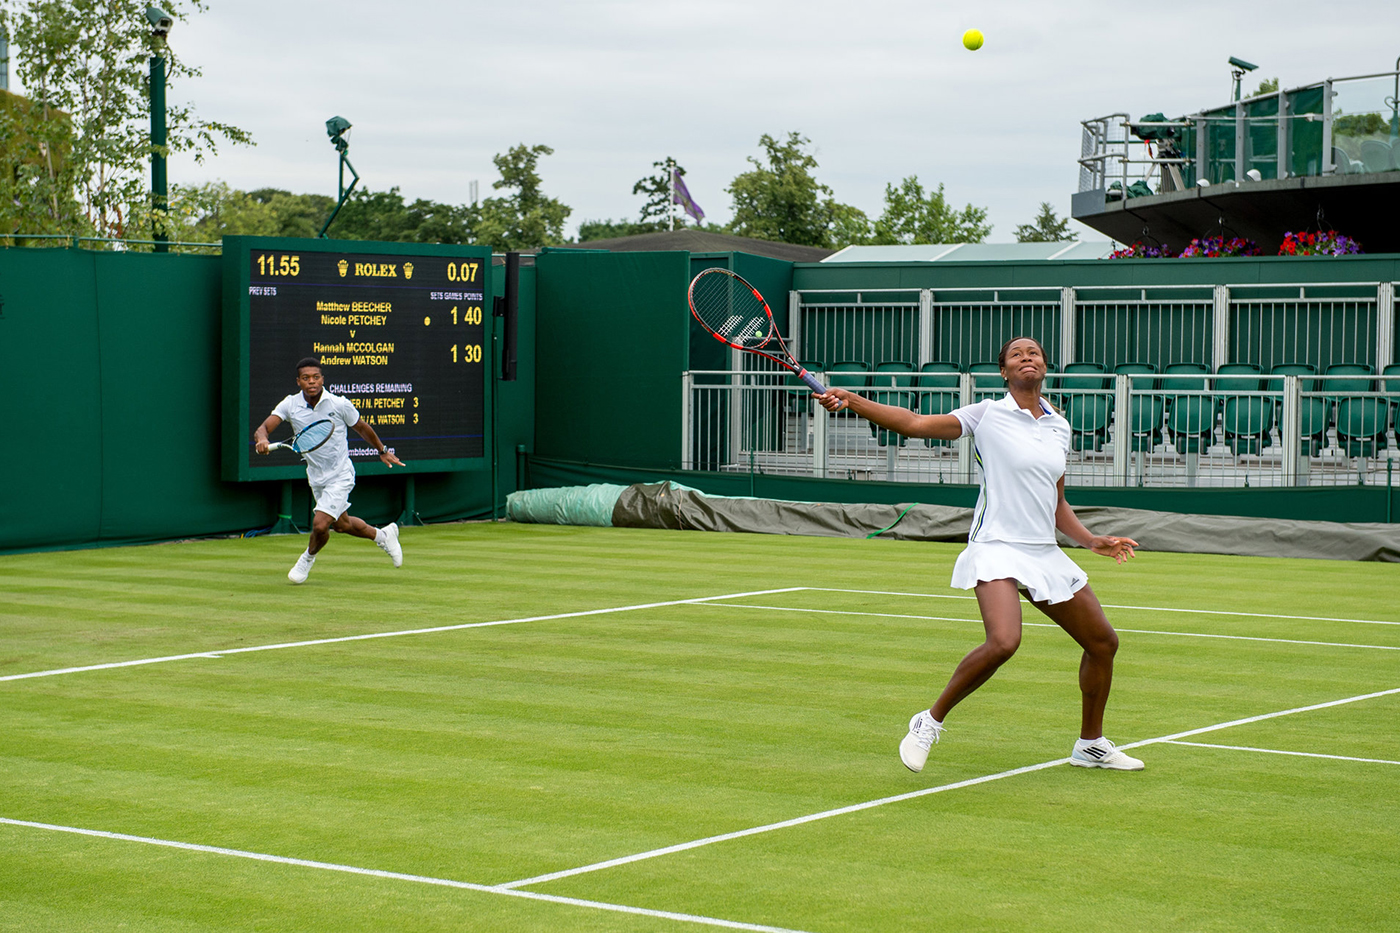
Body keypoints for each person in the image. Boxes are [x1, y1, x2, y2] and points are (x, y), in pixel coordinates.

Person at [815, 337, 1144, 772]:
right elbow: (913, 424)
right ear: (1004, 372)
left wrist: (1090, 540)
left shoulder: (1058, 426)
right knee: (1005, 641)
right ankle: (927, 721)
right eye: (1016, 355)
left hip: (1042, 551)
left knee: (1103, 642)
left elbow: (1056, 502)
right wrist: (853, 398)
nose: (1027, 358)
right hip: (996, 546)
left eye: (1035, 354)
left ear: (1045, 368)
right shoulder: (986, 414)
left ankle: (1091, 744)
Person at [254, 357, 406, 583]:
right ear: (298, 382)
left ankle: (306, 559)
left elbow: (362, 428)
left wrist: (382, 450)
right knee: (342, 525)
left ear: (322, 379)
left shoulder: (339, 404)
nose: (311, 382)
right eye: (306, 378)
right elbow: (263, 428)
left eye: (316, 377)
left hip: (341, 475)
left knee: (320, 523)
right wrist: (262, 439)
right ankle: (383, 535)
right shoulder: (289, 404)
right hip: (316, 477)